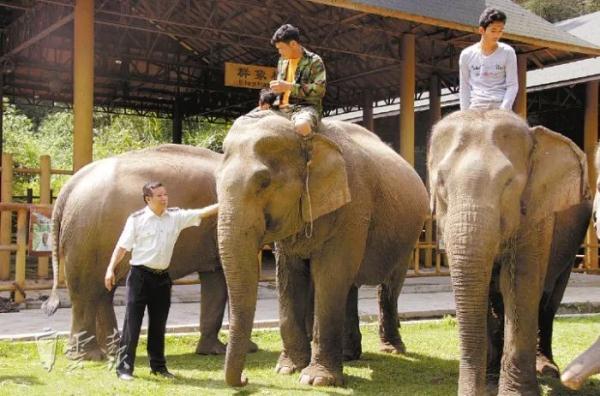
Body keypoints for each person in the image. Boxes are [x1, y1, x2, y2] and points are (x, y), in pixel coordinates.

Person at [104, 181, 217, 381]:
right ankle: (124, 369)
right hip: (140, 276)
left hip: (163, 278)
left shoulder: (174, 217)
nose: (164, 198)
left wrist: (226, 202)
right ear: (148, 199)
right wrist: (110, 269)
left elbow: (201, 213)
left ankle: (159, 367)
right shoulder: (137, 219)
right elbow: (122, 247)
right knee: (132, 324)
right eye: (159, 196)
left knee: (158, 324)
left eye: (165, 194)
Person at [269, 24, 326, 136]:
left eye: (281, 48)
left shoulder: (314, 61)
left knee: (302, 125)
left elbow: (320, 90)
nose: (279, 52)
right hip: (280, 108)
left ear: (293, 44)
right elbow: (282, 89)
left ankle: (308, 151)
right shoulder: (282, 61)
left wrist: (289, 86)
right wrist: (272, 94)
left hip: (305, 109)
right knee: (247, 121)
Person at [459, 7, 518, 111]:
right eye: (493, 30)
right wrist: (465, 113)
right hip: (476, 106)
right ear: (482, 30)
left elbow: (512, 85)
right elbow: (464, 87)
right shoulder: (466, 55)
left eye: (500, 31)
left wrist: (504, 110)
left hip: (500, 104)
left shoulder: (508, 52)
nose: (497, 35)